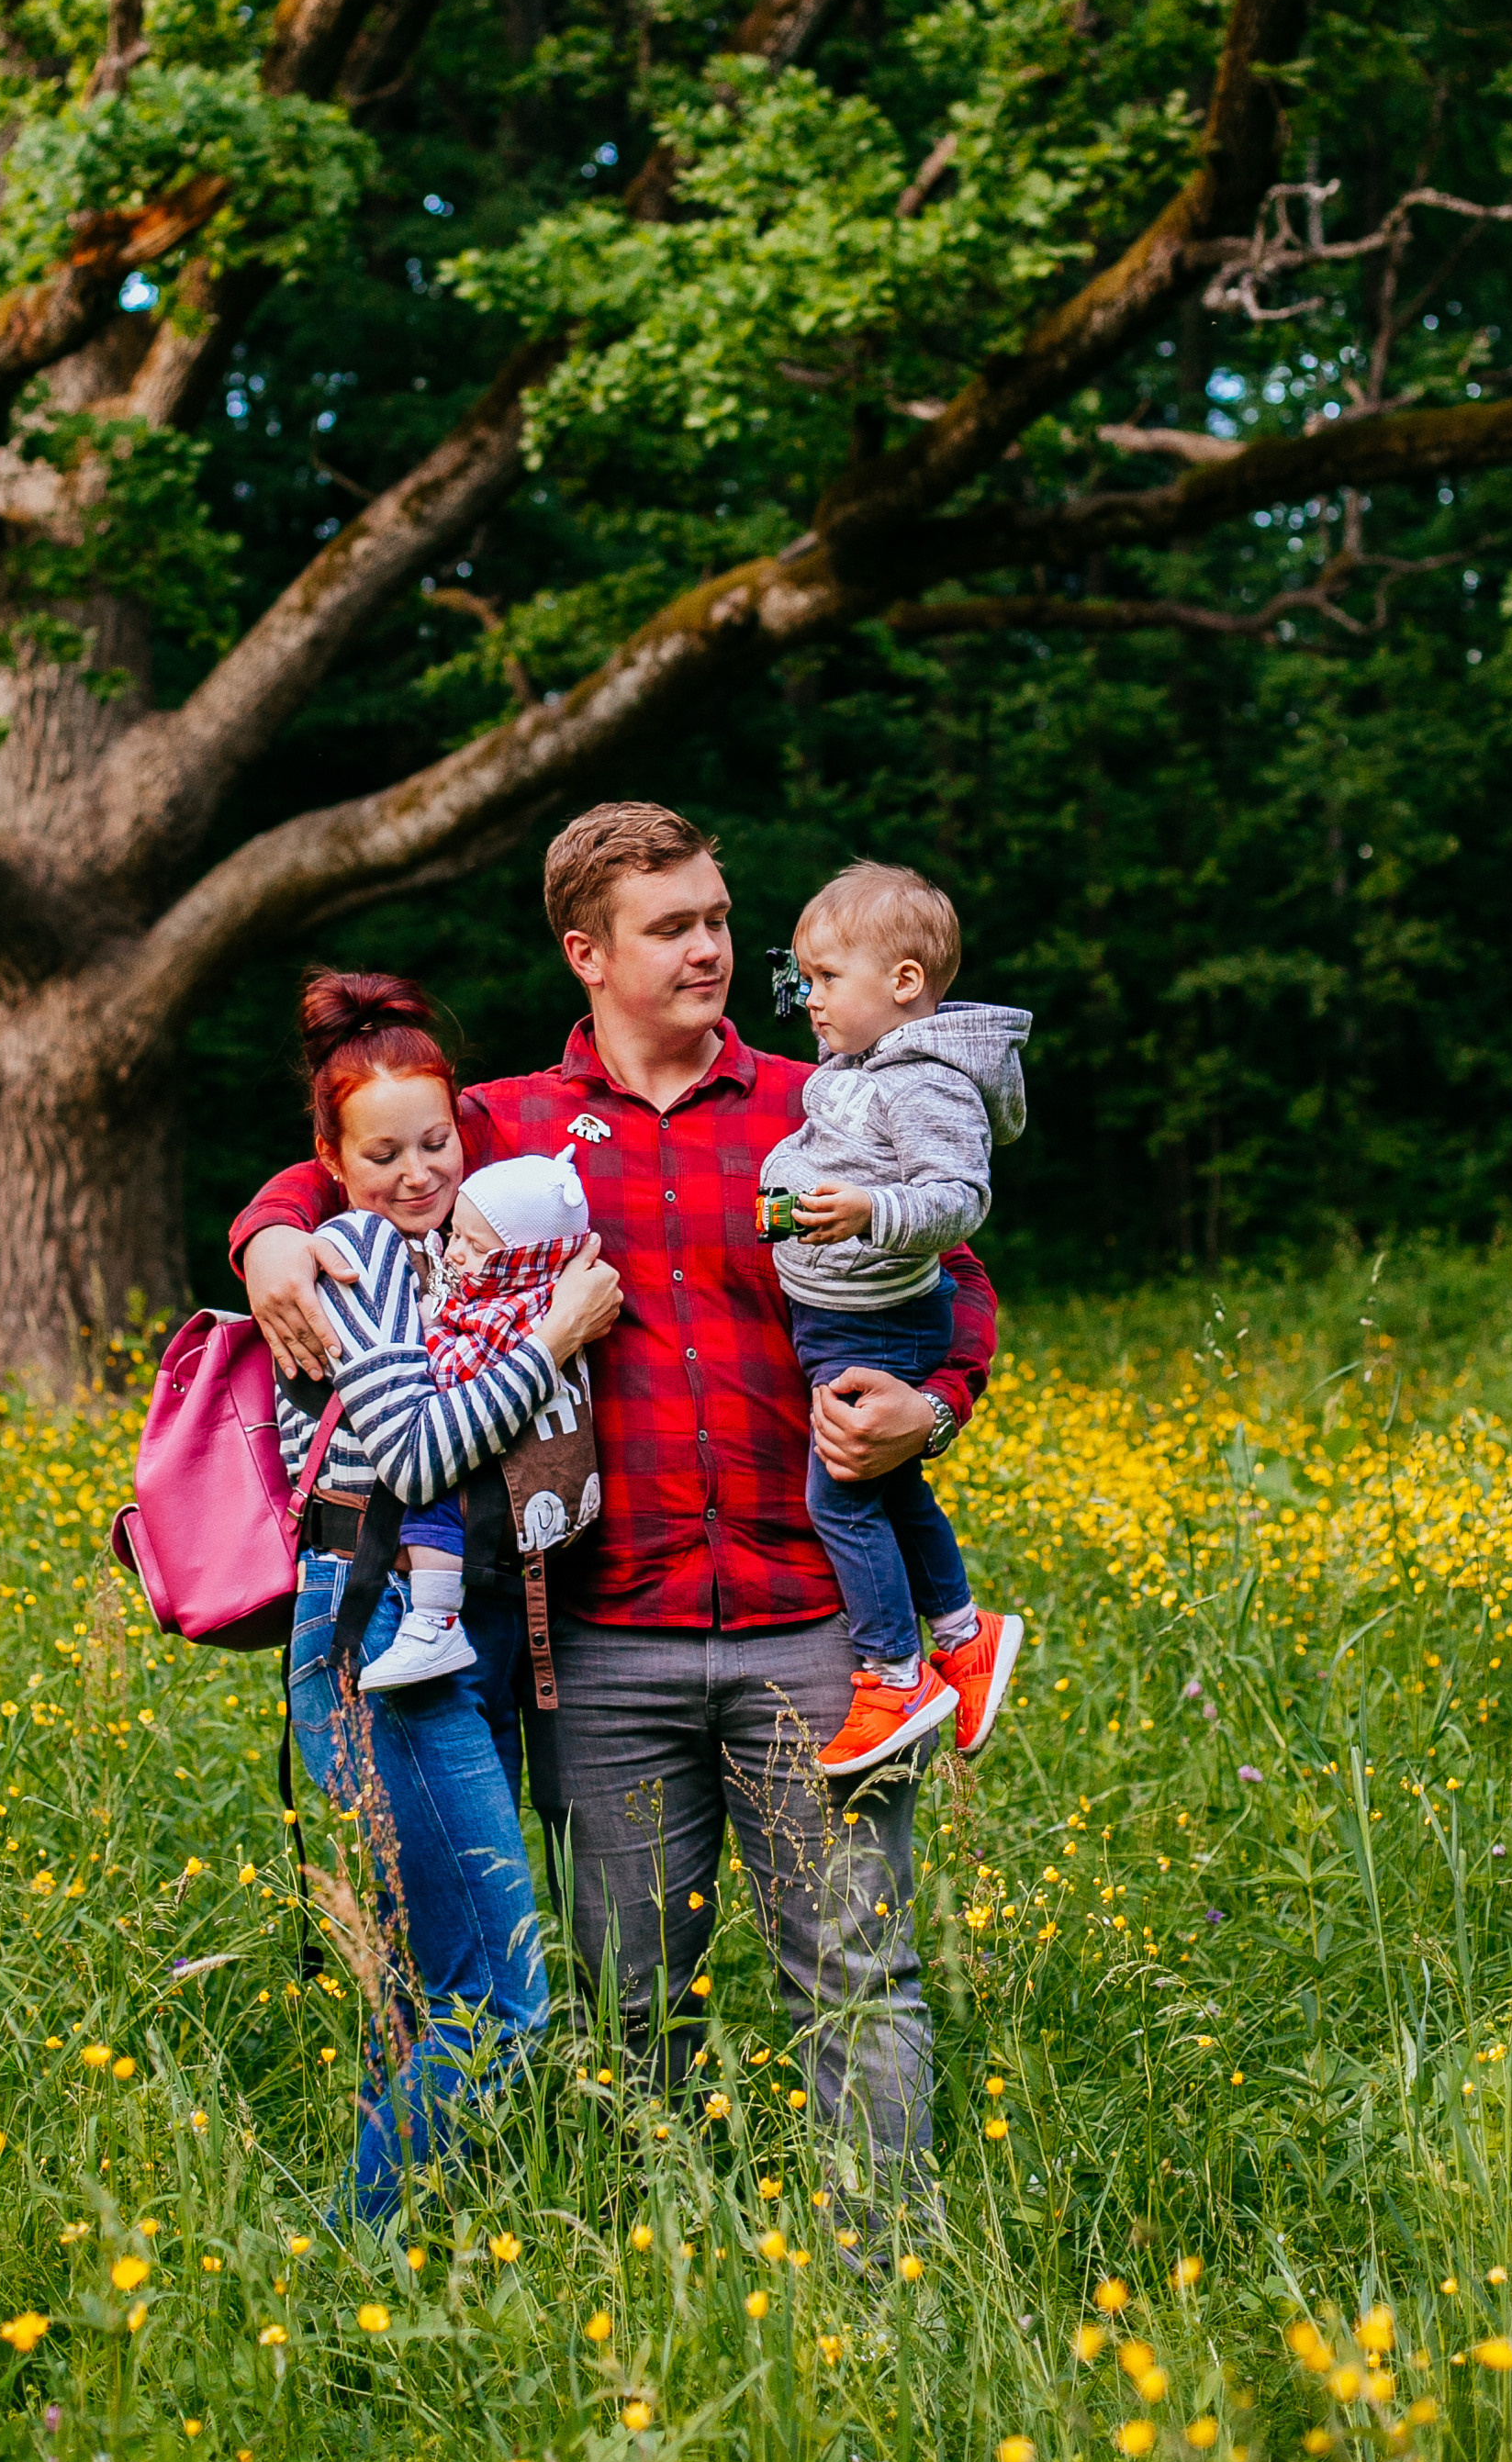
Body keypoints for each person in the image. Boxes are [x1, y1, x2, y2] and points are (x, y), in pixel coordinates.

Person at [235, 804, 998, 2185]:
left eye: (718, 917)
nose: (712, 947)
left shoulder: (823, 1098)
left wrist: (930, 1402)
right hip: (599, 1647)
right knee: (629, 1999)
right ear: (586, 950)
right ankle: (667, 2262)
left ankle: (893, 2282)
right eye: (674, 926)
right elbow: (351, 1145)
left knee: (857, 1975)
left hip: (817, 1629)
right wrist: (272, 1234)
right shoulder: (508, 1124)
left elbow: (958, 1277)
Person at [278, 969, 622, 2218]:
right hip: (376, 1633)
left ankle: (412, 2257)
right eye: (381, 1151)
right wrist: (552, 1339)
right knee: (504, 1994)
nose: (416, 1170)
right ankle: (341, 2259)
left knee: (424, 1981)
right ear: (330, 1157)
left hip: (452, 1632)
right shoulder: (352, 1256)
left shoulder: (451, 1248)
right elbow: (420, 1454)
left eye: (435, 1141)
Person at [757, 859, 1030, 1776]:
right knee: (886, 1488)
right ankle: (962, 1630)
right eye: (802, 978)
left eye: (826, 978)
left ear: (904, 982)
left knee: (836, 1493)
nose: (808, 999)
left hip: (880, 1324)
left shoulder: (924, 1080)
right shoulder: (861, 1066)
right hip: (840, 1316)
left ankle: (893, 1672)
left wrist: (871, 1211)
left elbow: (956, 1197)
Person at [358, 1145, 595, 1693]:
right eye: (456, 1236)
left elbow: (455, 1374)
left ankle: (435, 1622)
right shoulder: (505, 1287)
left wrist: (418, 1331)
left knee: (433, 1502)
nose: (456, 1252)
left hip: (499, 1472)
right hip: (508, 1480)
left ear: (522, 1258)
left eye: (474, 1245)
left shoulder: (520, 1305)